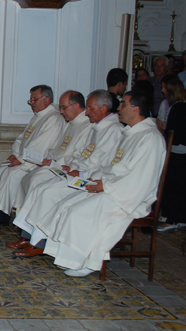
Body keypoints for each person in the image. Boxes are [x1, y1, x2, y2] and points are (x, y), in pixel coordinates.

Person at [34, 91, 166, 277]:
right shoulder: (130, 133)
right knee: (67, 204)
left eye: (123, 104)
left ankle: (85, 261)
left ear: (135, 110)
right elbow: (111, 165)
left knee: (79, 212)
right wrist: (96, 179)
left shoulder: (150, 138)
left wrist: (106, 186)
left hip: (128, 196)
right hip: (112, 186)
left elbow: (142, 179)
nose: (118, 108)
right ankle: (66, 258)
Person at [11, 90, 124, 256]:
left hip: (90, 179)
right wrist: (71, 167)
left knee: (47, 193)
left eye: (91, 108)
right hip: (76, 173)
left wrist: (79, 171)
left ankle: (38, 243)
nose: (87, 112)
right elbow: (81, 153)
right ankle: (30, 237)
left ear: (104, 108)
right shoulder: (97, 127)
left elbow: (101, 162)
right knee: (41, 188)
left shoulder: (113, 130)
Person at [0, 85, 63, 225]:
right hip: (23, 158)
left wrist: (21, 159)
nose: (32, 103)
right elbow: (21, 139)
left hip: (33, 163)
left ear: (47, 99)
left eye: (35, 99)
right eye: (31, 100)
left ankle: (1, 217)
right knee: (1, 171)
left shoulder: (54, 119)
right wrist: (15, 154)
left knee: (10, 175)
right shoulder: (38, 117)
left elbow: (41, 145)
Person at [157, 76, 186, 231]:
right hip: (181, 149)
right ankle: (182, 218)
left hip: (177, 150)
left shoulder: (179, 107)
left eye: (165, 87)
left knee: (173, 185)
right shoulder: (184, 105)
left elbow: (174, 132)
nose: (163, 90)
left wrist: (163, 129)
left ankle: (172, 219)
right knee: (181, 185)